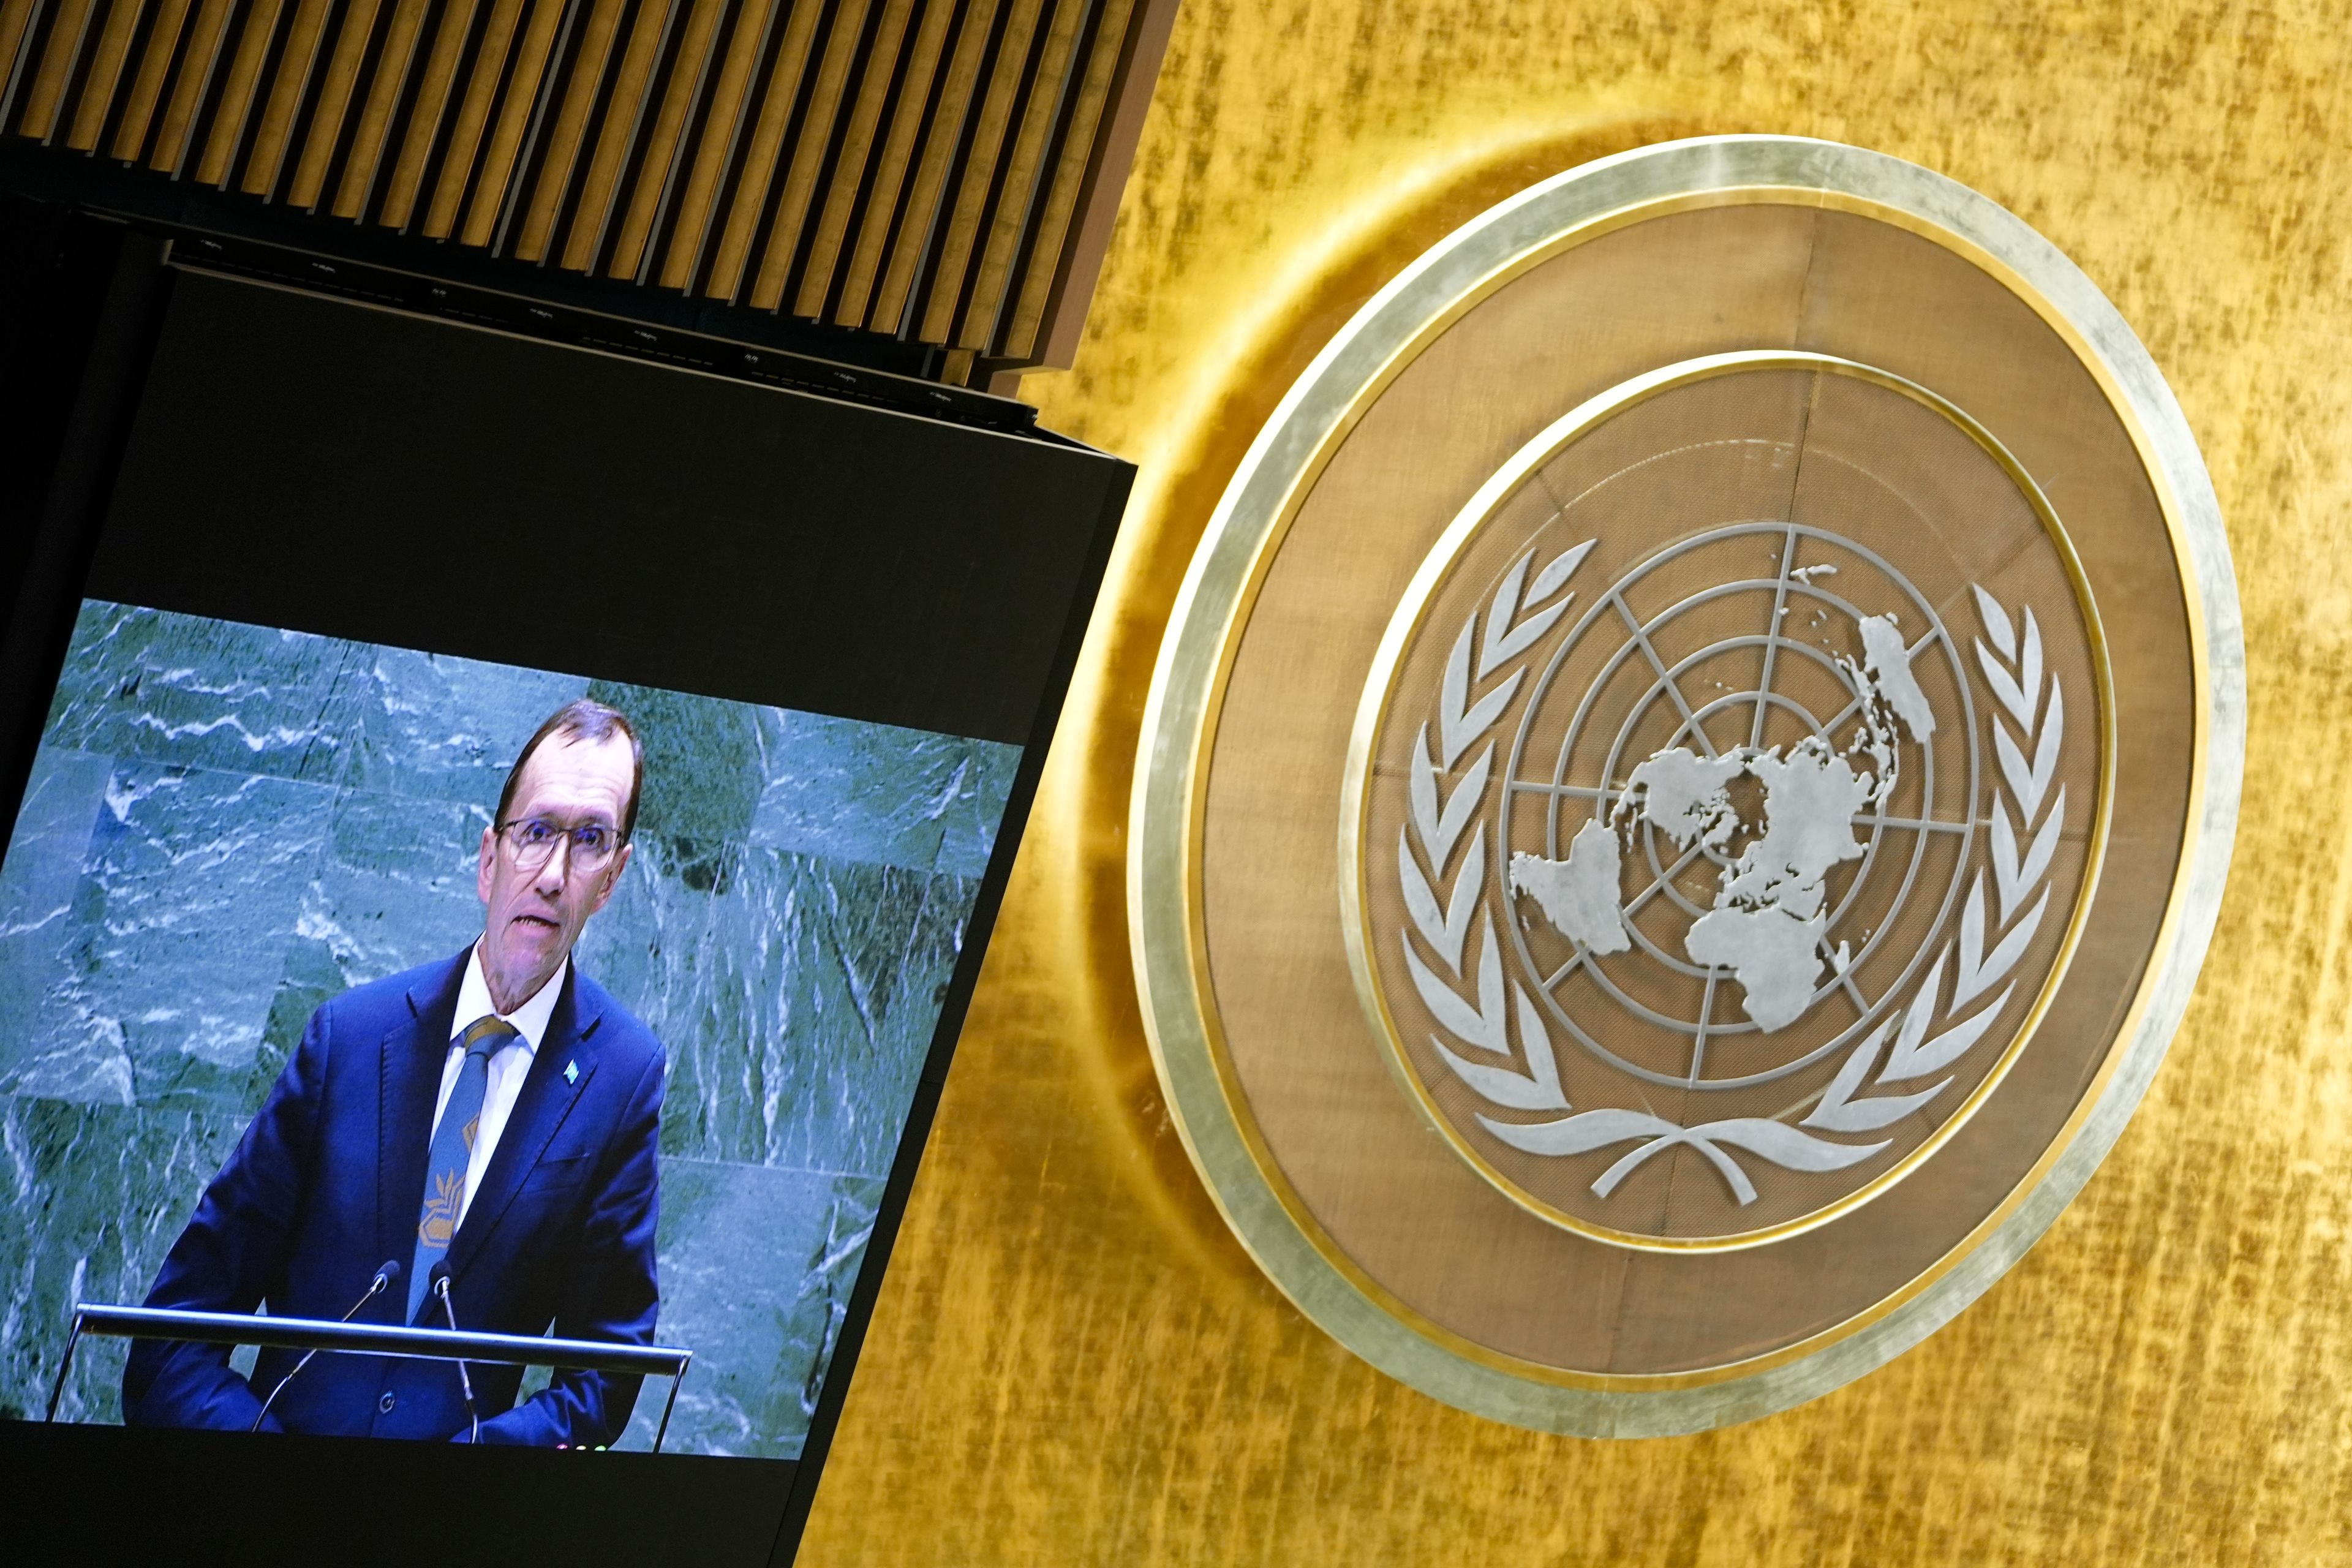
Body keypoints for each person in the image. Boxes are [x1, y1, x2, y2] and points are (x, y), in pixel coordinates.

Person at [123, 699, 665, 1446]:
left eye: (590, 840)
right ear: (489, 857)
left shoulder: (623, 1078)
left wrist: (445, 1491)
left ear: (613, 878)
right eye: (536, 832)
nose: (553, 874)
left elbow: (603, 1375)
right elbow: (173, 1336)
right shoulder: (348, 1038)